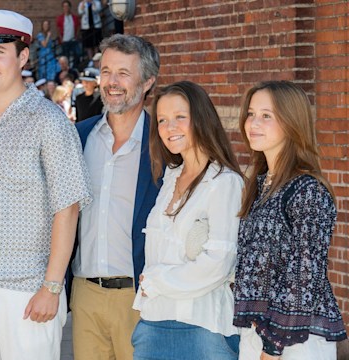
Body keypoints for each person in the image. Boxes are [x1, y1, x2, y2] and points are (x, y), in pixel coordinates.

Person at [0, 10, 92, 360]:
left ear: (23, 56)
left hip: (24, 290)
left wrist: (52, 287)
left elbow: (67, 207)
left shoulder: (49, 122)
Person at [234, 80, 347, 359]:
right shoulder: (260, 186)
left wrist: (272, 346)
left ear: (291, 123)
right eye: (251, 113)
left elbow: (304, 275)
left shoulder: (307, 190)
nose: (253, 123)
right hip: (255, 333)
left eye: (266, 116)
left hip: (296, 341)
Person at [131, 81, 243, 359]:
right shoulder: (169, 178)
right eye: (162, 120)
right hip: (153, 322)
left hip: (202, 328)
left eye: (180, 117)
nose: (170, 128)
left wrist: (155, 280)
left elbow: (219, 262)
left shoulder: (225, 182)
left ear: (201, 119)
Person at [70, 34, 160, 360]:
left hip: (139, 296)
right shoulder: (78, 137)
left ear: (148, 81)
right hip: (85, 294)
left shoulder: (163, 145)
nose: (112, 82)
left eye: (124, 72)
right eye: (106, 71)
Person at [56, 0, 81, 69]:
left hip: (73, 40)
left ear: (70, 7)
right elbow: (58, 29)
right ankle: (67, 69)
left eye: (67, 6)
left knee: (77, 54)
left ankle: (75, 68)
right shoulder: (60, 18)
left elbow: (78, 26)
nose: (66, 8)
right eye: (64, 6)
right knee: (66, 57)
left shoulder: (74, 17)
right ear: (63, 8)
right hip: (65, 40)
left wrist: (77, 36)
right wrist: (61, 39)